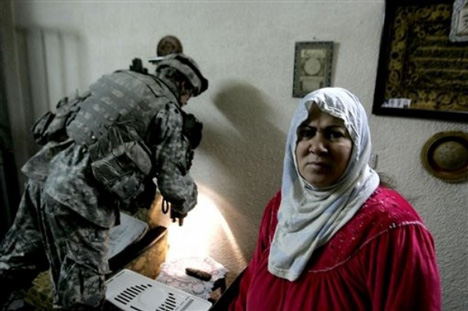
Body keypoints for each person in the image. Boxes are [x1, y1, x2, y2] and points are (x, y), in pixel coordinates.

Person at [0, 53, 208, 311]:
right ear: (183, 85)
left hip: (43, 176)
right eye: (189, 96)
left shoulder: (117, 78)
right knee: (81, 297)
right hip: (80, 200)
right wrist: (184, 204)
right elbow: (173, 183)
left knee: (16, 259)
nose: (185, 102)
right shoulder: (168, 110)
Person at [228, 87, 441, 311]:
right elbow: (247, 292)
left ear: (357, 146)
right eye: (307, 133)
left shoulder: (392, 228)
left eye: (334, 134)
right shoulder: (282, 207)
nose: (317, 147)